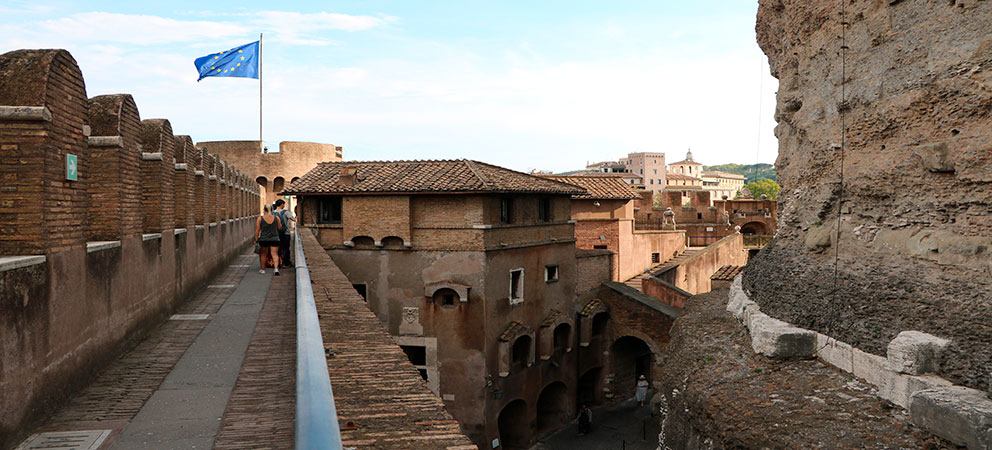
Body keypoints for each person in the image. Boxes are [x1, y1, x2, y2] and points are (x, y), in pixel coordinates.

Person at [255, 205, 282, 275]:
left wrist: (256, 239)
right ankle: (276, 269)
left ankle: (262, 270)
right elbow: (280, 228)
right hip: (275, 238)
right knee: (275, 254)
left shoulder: (260, 218)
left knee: (263, 254)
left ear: (264, 210)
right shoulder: (276, 218)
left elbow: (257, 230)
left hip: (264, 239)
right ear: (272, 210)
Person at [273, 199, 295, 267]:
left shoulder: (273, 213)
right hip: (285, 233)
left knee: (278, 249)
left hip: (276, 234)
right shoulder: (286, 212)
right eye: (284, 204)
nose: (284, 205)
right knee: (286, 248)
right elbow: (293, 219)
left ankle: (279, 263)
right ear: (281, 204)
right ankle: (286, 263)